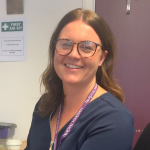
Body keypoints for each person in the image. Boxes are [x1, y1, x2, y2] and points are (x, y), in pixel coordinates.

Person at [24, 8, 134, 150]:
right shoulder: (44, 106)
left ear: (102, 58)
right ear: (54, 50)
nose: (74, 54)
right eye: (65, 44)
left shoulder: (115, 120)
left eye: (87, 47)